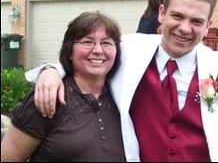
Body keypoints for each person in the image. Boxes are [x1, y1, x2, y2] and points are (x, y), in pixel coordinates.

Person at [24, 0, 218, 162]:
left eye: (196, 21)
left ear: (208, 23)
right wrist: (51, 70)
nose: (185, 28)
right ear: (162, 12)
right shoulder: (130, 50)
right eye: (177, 16)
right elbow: (89, 55)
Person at [1, 11, 127, 162]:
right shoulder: (48, 96)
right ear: (70, 51)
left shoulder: (125, 95)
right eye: (88, 42)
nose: (98, 50)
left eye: (106, 43)